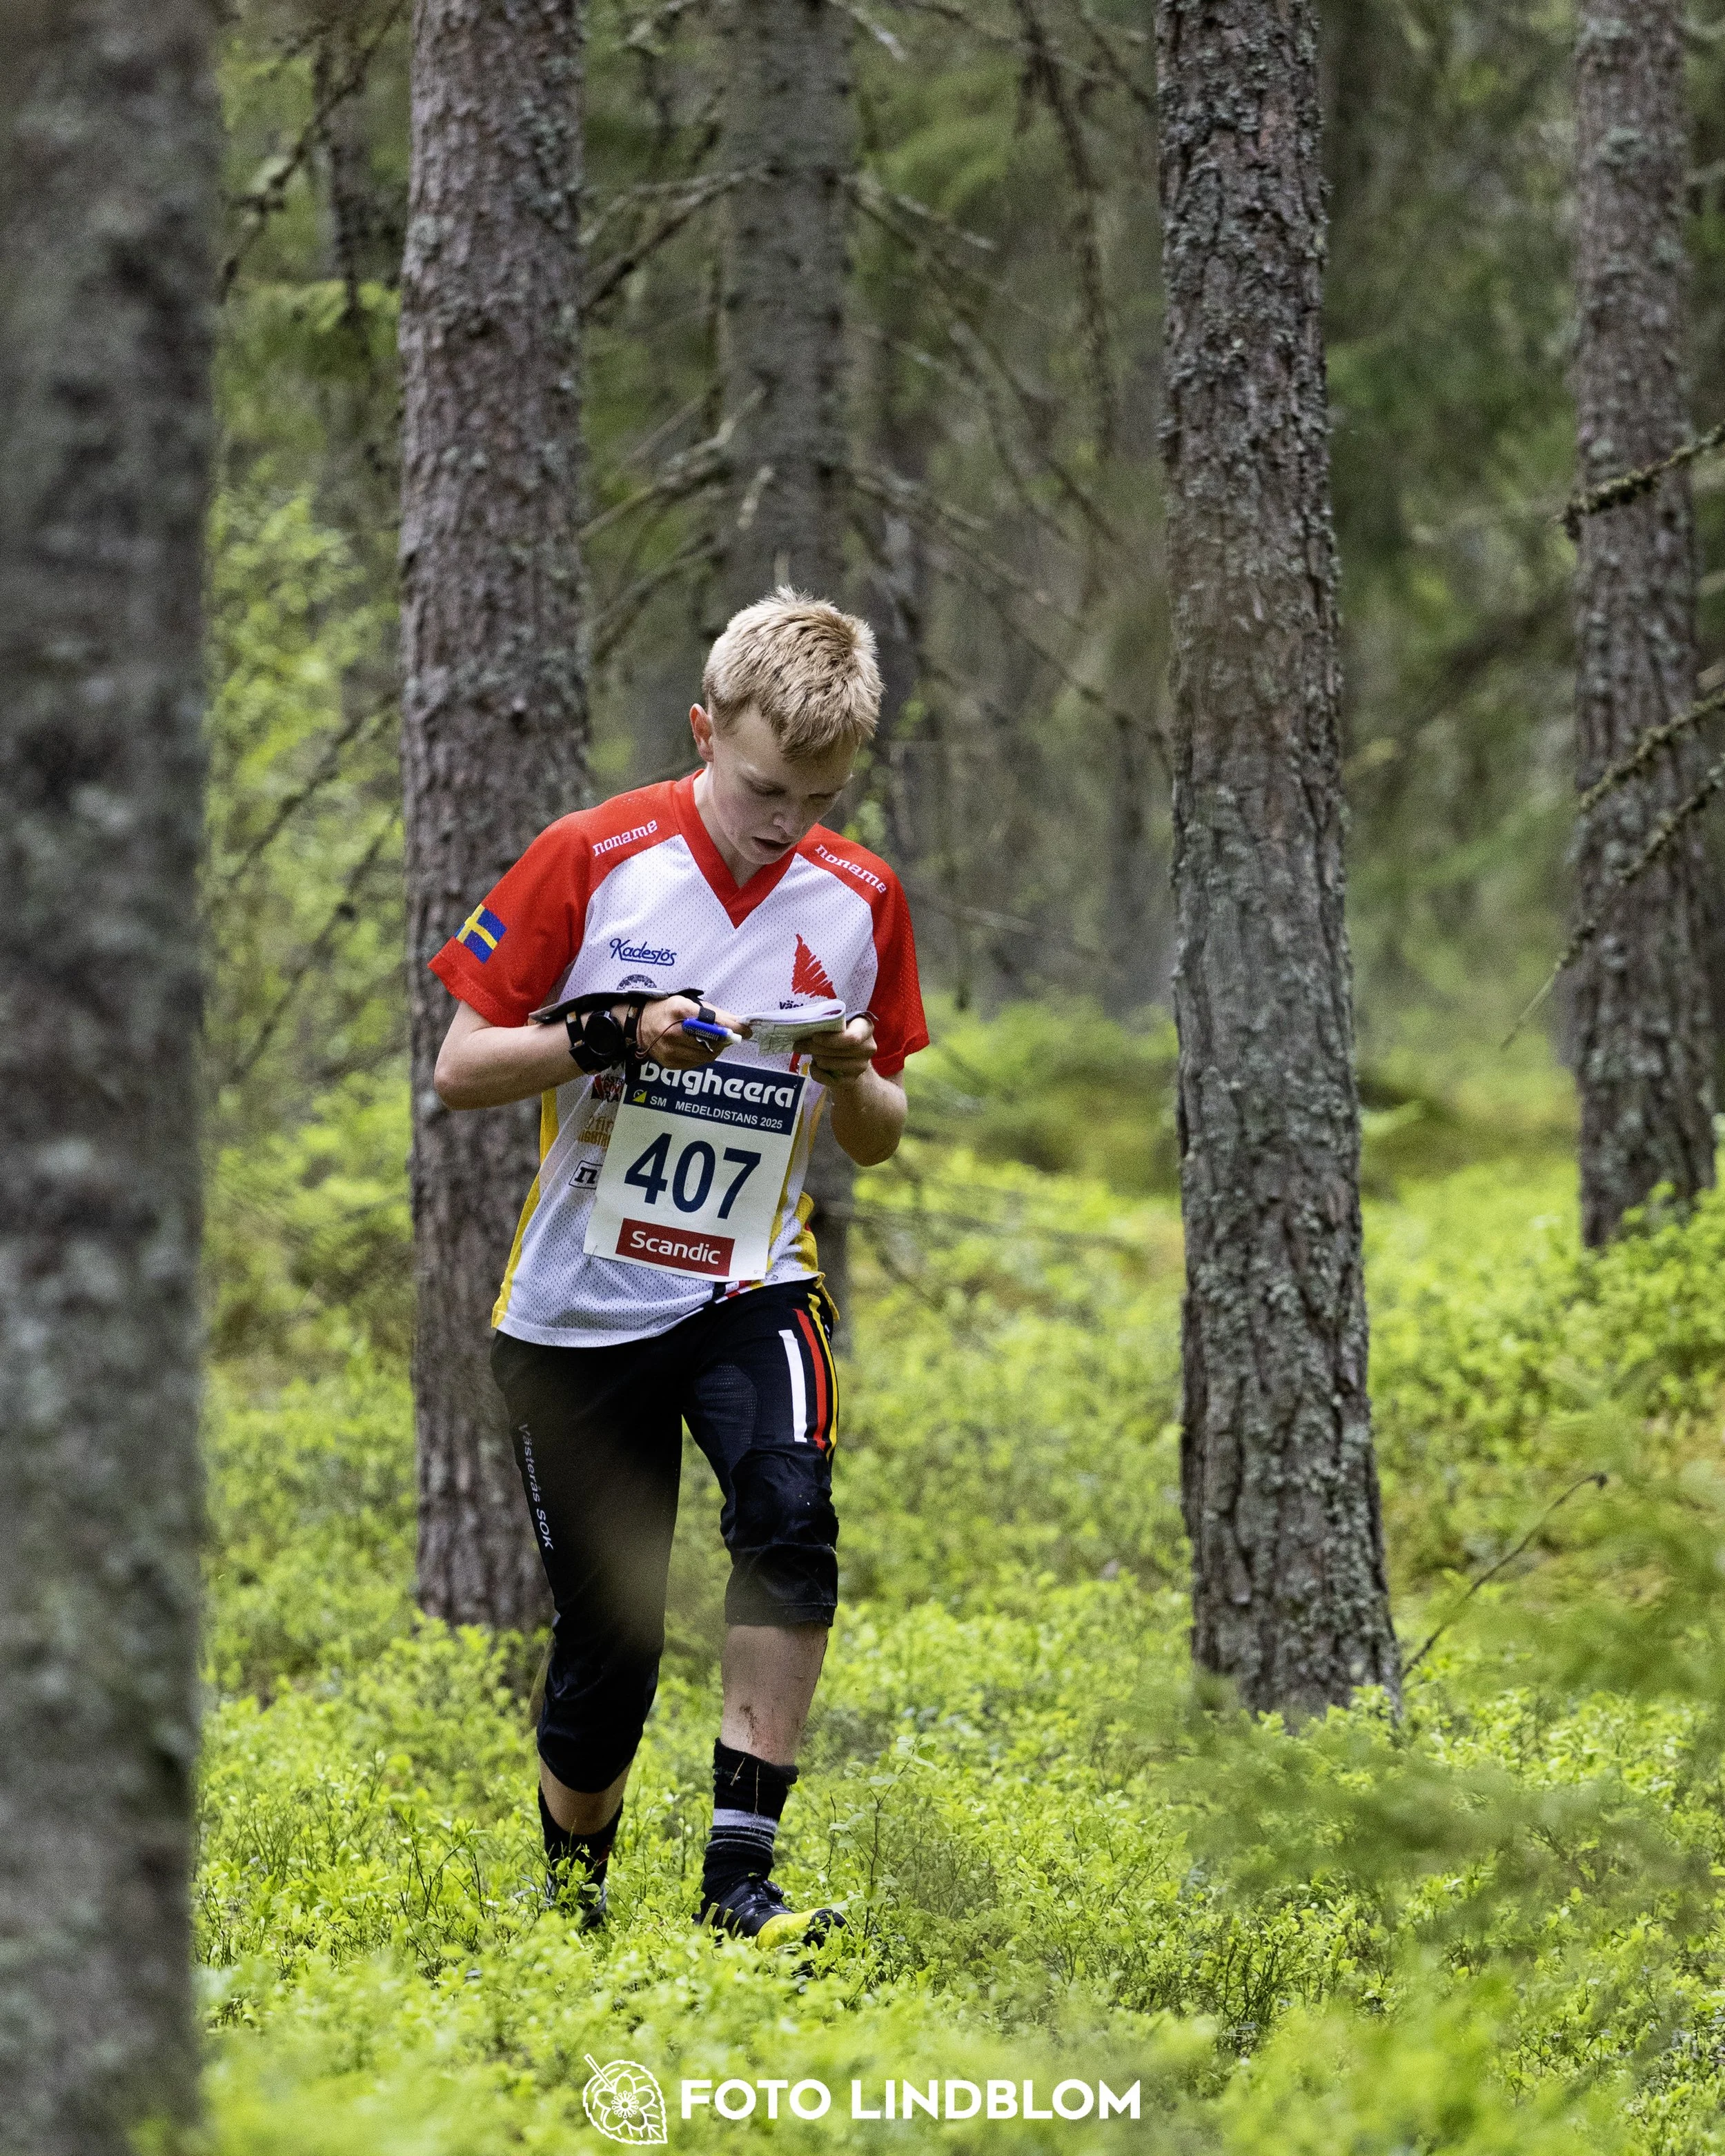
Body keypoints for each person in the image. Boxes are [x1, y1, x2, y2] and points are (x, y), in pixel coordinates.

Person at [428, 590, 927, 1946]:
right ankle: (569, 1903)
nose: (782, 819)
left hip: (749, 1282)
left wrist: (848, 1069)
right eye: (762, 785)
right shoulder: (591, 857)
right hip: (577, 1312)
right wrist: (612, 1034)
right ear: (704, 730)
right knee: (612, 1650)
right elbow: (461, 1065)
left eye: (813, 795)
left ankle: (737, 1886)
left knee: (787, 1516)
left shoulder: (861, 895)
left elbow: (877, 1136)